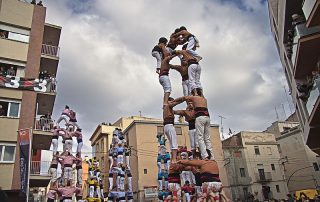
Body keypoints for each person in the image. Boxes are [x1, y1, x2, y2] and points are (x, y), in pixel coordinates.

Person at [173, 95, 213, 160]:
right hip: (191, 129)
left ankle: (203, 156)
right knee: (192, 145)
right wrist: (170, 109)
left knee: (198, 143)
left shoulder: (197, 110)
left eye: (191, 103)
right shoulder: (186, 112)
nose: (190, 104)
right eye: (189, 103)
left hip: (197, 128)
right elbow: (177, 112)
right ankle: (194, 157)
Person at [163, 97, 180, 163]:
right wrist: (183, 99)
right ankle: (174, 159)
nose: (172, 103)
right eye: (171, 101)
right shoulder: (167, 106)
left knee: (171, 143)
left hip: (167, 126)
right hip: (169, 125)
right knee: (174, 142)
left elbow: (178, 112)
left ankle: (172, 158)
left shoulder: (168, 109)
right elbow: (174, 104)